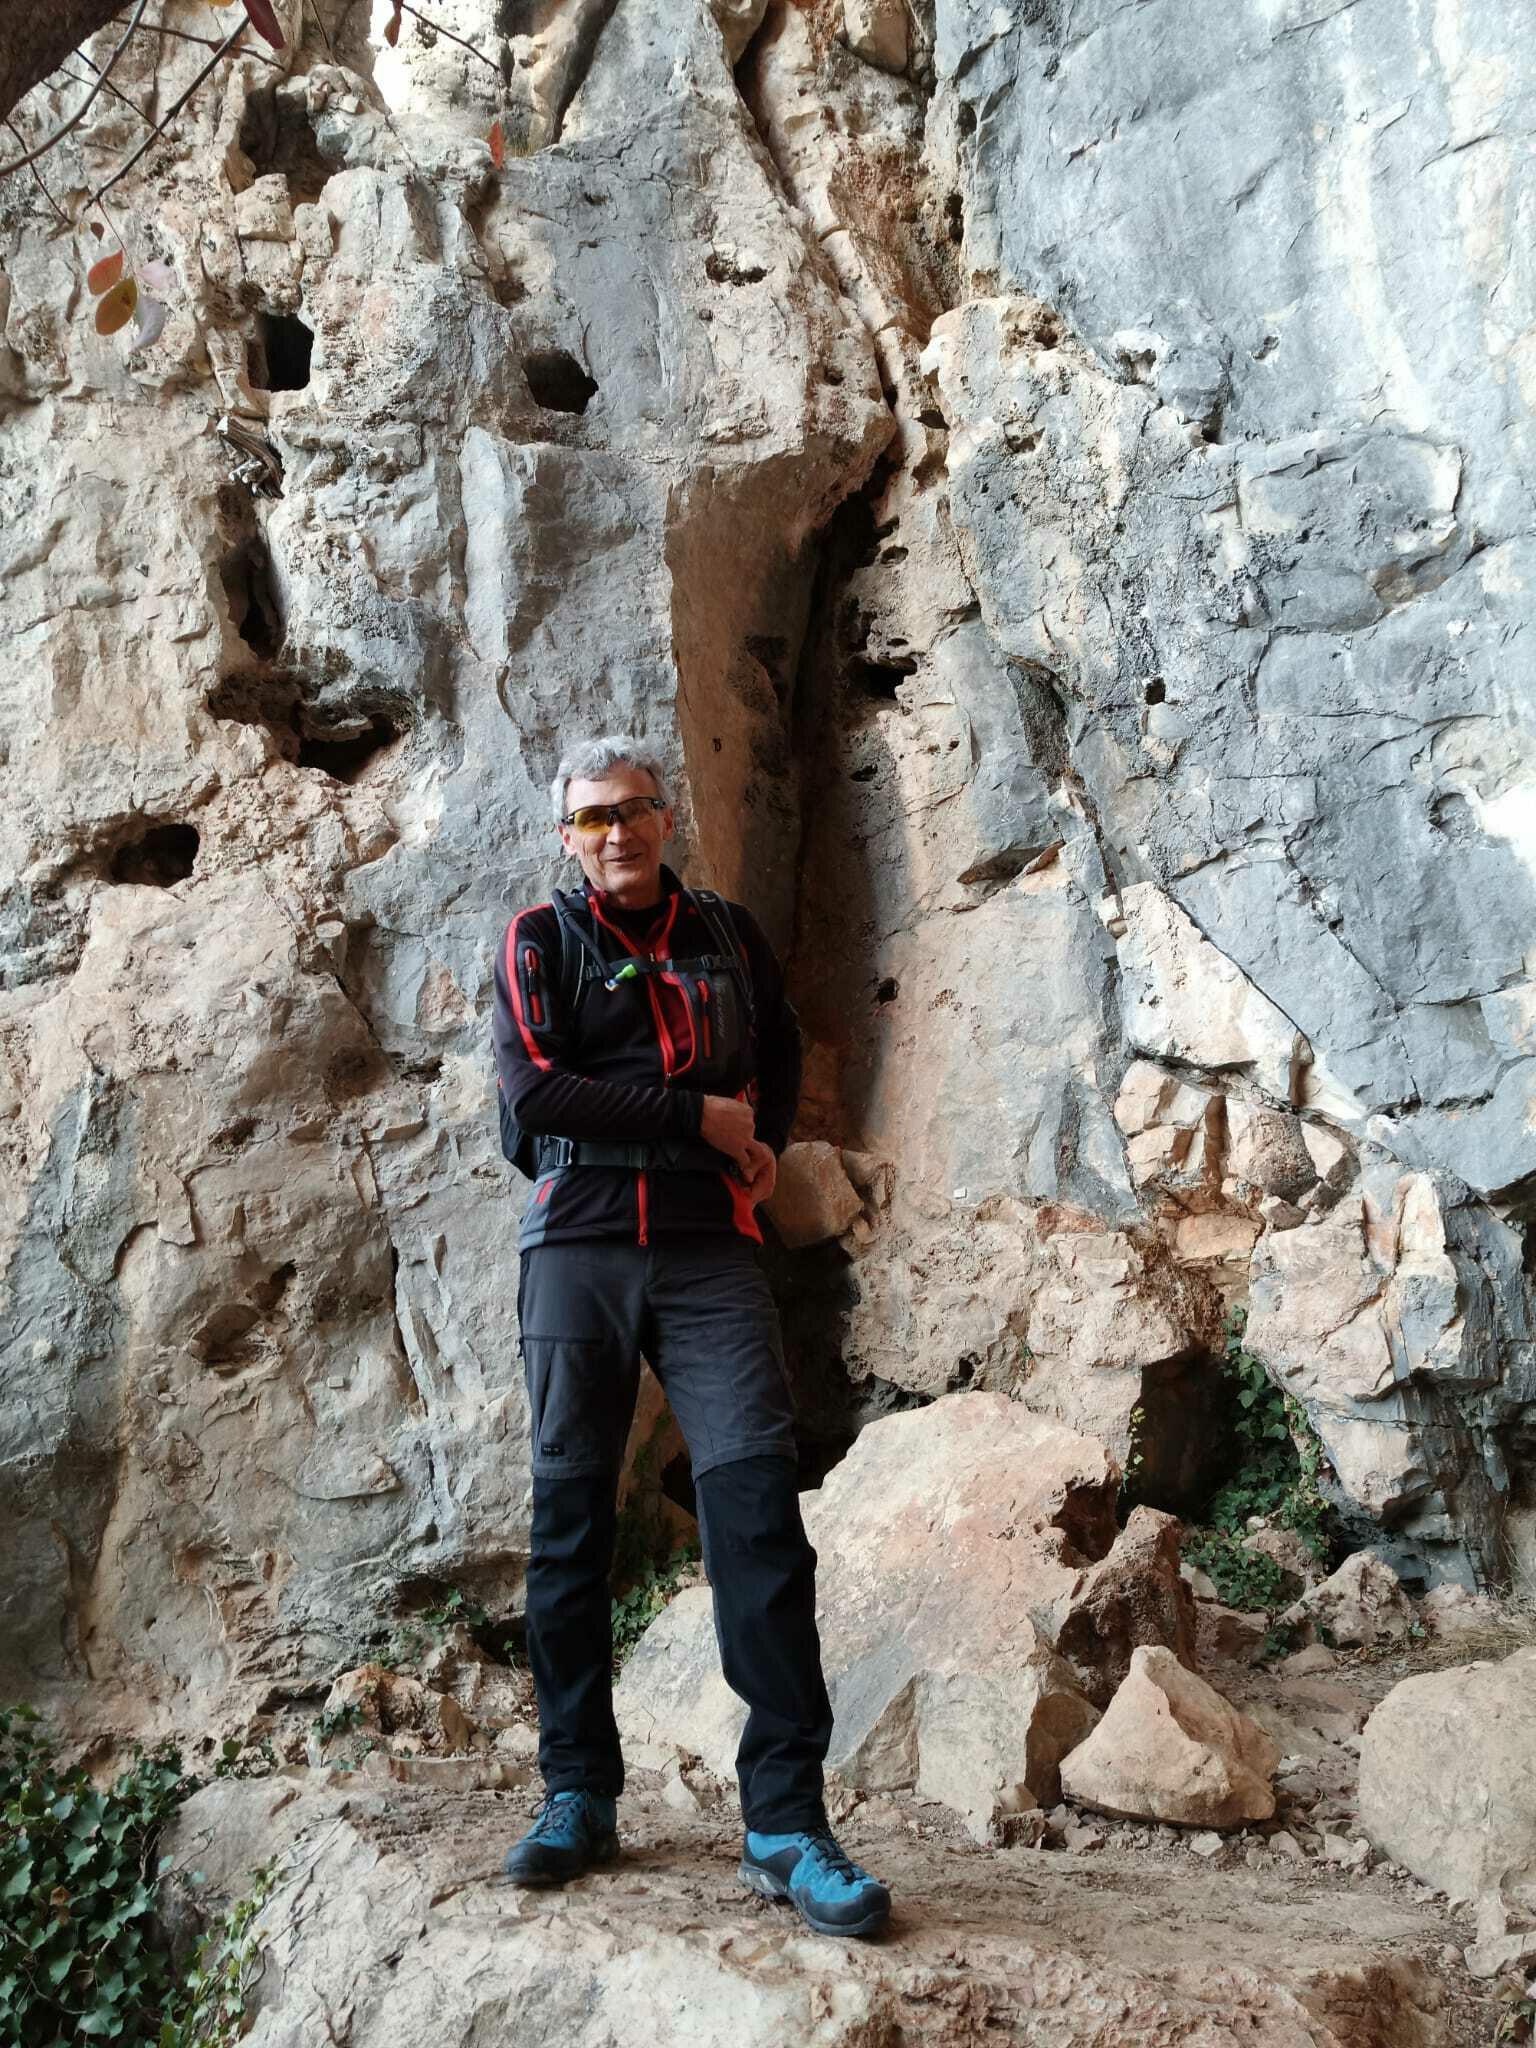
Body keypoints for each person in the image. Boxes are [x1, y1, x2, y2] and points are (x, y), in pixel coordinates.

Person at [490, 735, 891, 1940]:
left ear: (667, 819)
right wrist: (697, 1117)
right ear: (568, 836)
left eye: (635, 809)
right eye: (593, 817)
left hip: (711, 1247)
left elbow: (777, 1043)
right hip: (578, 1245)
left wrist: (759, 1133)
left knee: (758, 1511)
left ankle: (785, 1822)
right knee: (570, 1518)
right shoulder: (537, 940)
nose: (616, 832)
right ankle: (578, 1791)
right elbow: (534, 1092)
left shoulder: (725, 932)